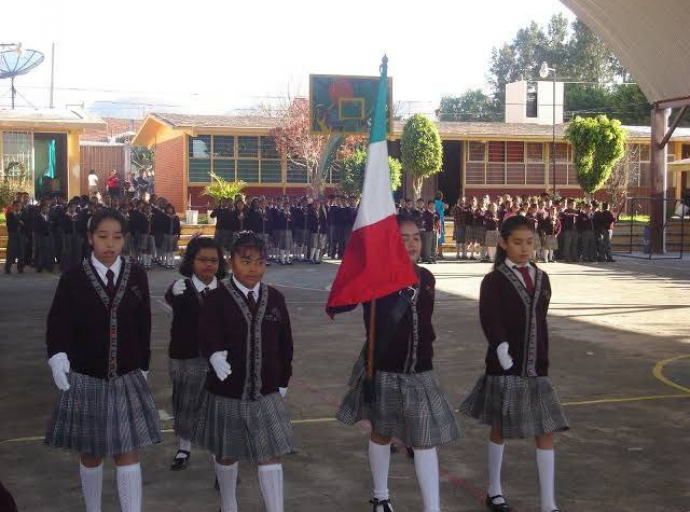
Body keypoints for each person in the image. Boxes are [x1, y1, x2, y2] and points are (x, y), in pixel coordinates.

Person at [333, 216, 461, 512]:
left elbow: (425, 323)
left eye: (416, 237)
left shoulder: (426, 278)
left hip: (420, 371)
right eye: (403, 238)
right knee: (382, 431)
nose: (412, 243)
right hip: (386, 370)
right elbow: (343, 301)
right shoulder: (377, 277)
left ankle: (432, 508)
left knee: (424, 439)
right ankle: (380, 496)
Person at [45, 208, 160, 512]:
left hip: (126, 375)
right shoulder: (73, 278)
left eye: (117, 237)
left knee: (127, 449)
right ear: (90, 238)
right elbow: (58, 322)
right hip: (86, 375)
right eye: (103, 237)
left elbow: (143, 323)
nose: (110, 244)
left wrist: (144, 364)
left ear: (125, 240)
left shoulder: (136, 275)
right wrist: (57, 355)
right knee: (91, 451)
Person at [460, 215, 569, 512]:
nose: (524, 249)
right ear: (503, 243)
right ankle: (494, 490)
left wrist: (541, 352)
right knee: (500, 428)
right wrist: (501, 346)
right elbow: (490, 318)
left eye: (530, 242)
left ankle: (549, 503)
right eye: (518, 242)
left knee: (545, 430)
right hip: (505, 366)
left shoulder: (542, 277)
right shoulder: (493, 280)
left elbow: (540, 317)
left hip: (537, 367)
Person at [194, 233, 294, 512]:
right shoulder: (216, 298)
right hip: (228, 391)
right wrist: (213, 353)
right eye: (246, 261)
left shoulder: (275, 298)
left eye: (260, 262)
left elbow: (286, 343)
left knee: (271, 453)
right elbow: (206, 332)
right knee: (227, 453)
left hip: (267, 391)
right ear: (231, 260)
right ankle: (228, 503)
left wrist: (283, 379)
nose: (253, 268)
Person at [166, 236, 226, 471]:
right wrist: (172, 290)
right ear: (191, 261)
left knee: (217, 409)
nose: (208, 265)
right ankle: (184, 447)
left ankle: (219, 456)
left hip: (219, 361)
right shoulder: (181, 289)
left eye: (214, 260)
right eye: (202, 260)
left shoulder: (224, 290)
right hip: (187, 357)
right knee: (185, 405)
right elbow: (170, 298)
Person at [59, 200, 83, 272]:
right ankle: (67, 268)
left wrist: (81, 236)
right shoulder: (64, 216)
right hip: (68, 236)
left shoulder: (78, 215)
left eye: (74, 207)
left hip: (77, 236)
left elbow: (81, 227)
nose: (72, 209)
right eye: (71, 207)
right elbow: (62, 226)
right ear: (68, 208)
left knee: (77, 252)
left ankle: (77, 268)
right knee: (68, 252)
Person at [4, 200, 26, 274]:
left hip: (22, 235)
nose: (18, 207)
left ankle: (20, 268)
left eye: (19, 206)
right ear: (13, 206)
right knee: (11, 251)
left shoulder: (24, 214)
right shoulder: (9, 214)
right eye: (16, 206)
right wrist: (19, 222)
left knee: (21, 251)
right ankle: (8, 267)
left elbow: (26, 224)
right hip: (13, 234)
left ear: (21, 207)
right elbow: (9, 225)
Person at [33, 202, 55, 273]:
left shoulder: (51, 216)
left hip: (49, 236)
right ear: (41, 209)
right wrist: (47, 224)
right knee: (41, 251)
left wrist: (48, 225)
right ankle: (40, 266)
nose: (46, 210)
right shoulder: (37, 216)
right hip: (41, 236)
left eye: (47, 208)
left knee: (50, 251)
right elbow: (38, 227)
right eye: (44, 209)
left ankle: (50, 266)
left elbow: (54, 224)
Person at [162, 204, 181, 269]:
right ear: (166, 209)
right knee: (167, 250)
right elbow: (162, 226)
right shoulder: (164, 217)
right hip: (166, 235)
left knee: (173, 250)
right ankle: (167, 263)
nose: (169, 210)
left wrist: (179, 234)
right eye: (168, 208)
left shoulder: (176, 217)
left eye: (171, 208)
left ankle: (172, 263)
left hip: (174, 235)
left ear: (173, 209)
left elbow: (178, 226)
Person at [433, 191, 447, 260]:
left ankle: (434, 253)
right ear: (441, 197)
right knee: (440, 238)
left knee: (435, 238)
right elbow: (446, 206)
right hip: (440, 222)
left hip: (434, 221)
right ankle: (440, 253)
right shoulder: (441, 203)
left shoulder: (433, 203)